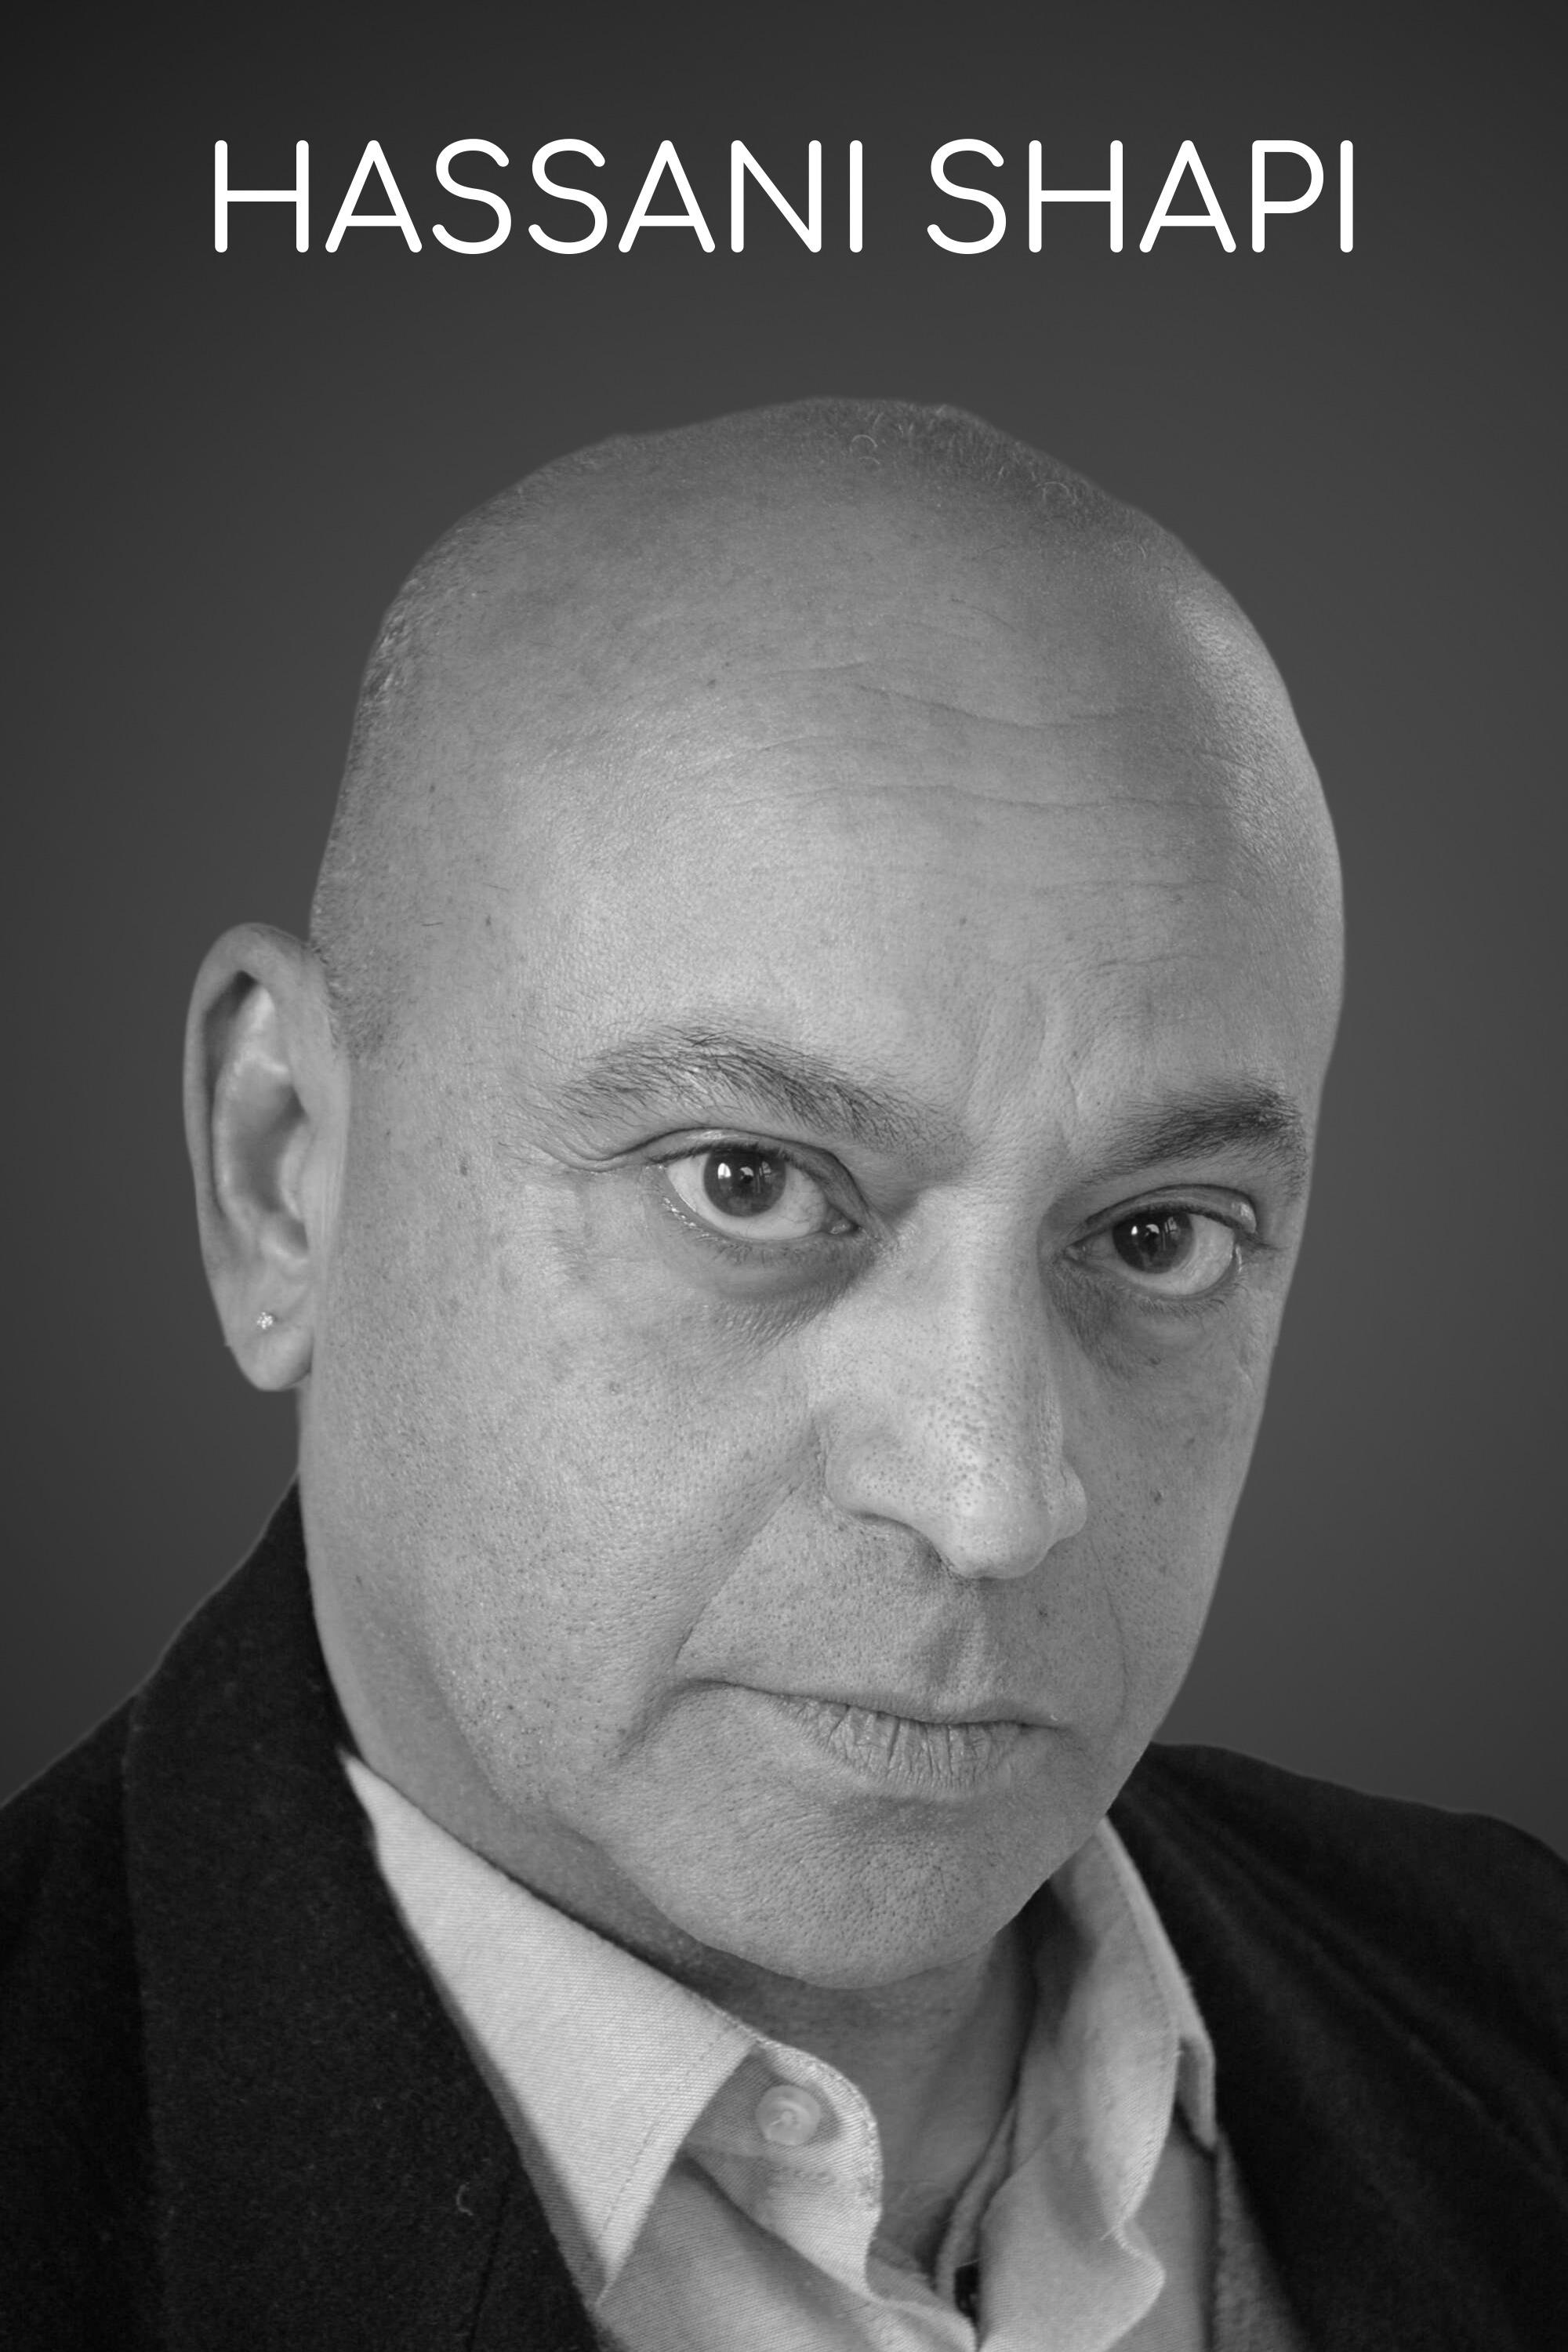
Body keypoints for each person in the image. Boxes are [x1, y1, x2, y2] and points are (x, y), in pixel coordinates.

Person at [2, 400, 1563, 2352]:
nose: (992, 1499)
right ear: (283, 1171)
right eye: (746, 1184)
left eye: (1157, 1234)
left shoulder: (1518, 1994)